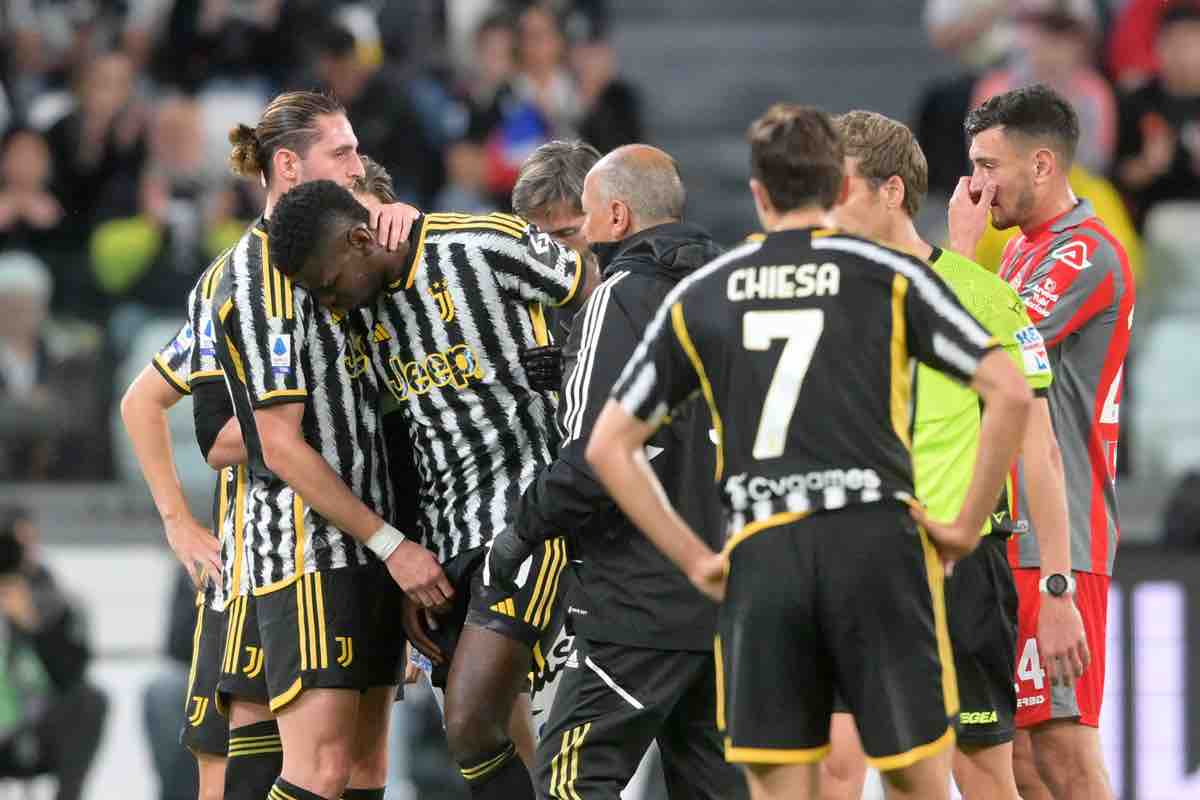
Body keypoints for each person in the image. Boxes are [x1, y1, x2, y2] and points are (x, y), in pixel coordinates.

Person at [584, 103, 1035, 800]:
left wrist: (695, 559)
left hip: (767, 554)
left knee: (787, 785)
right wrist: (964, 527)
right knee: (917, 778)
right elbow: (1008, 392)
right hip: (875, 549)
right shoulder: (888, 277)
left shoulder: (707, 292)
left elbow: (610, 446)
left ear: (758, 194)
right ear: (836, 187)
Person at [264, 174, 596, 800]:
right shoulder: (363, 314)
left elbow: (591, 284)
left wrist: (571, 356)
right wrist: (411, 559)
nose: (329, 304)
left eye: (329, 286)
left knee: (471, 724)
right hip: (446, 543)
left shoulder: (481, 243)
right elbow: (402, 445)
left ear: (360, 239)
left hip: (527, 516)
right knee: (497, 736)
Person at [820, 110, 1088, 800]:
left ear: (890, 191)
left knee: (979, 775)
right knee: (833, 769)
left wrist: (1057, 588)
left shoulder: (986, 300)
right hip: (848, 563)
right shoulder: (819, 298)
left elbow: (1041, 453)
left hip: (956, 571)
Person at [483, 143, 747, 800]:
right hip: (733, 591)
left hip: (638, 597)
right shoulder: (731, 291)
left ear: (617, 217)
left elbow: (596, 456)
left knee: (571, 780)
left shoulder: (618, 297)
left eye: (581, 218)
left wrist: (521, 532)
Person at [209, 90, 434, 800]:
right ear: (288, 165)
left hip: (371, 543)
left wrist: (399, 221)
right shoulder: (261, 277)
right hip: (312, 550)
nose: (357, 164)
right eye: (341, 152)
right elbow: (277, 444)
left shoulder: (343, 246)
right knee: (321, 769)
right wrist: (392, 545)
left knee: (366, 771)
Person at [948, 84, 1135, 800]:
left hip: (1061, 535)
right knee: (1021, 757)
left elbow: (980, 349)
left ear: (1043, 165)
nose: (976, 184)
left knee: (1064, 752)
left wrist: (960, 253)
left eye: (988, 165)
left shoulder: (1085, 253)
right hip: (1012, 527)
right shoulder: (1024, 254)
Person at [0, 505, 109, 800]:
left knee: (90, 701)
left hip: (33, 727)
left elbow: (72, 676)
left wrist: (33, 625)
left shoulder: (53, 600)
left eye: (28, 543)